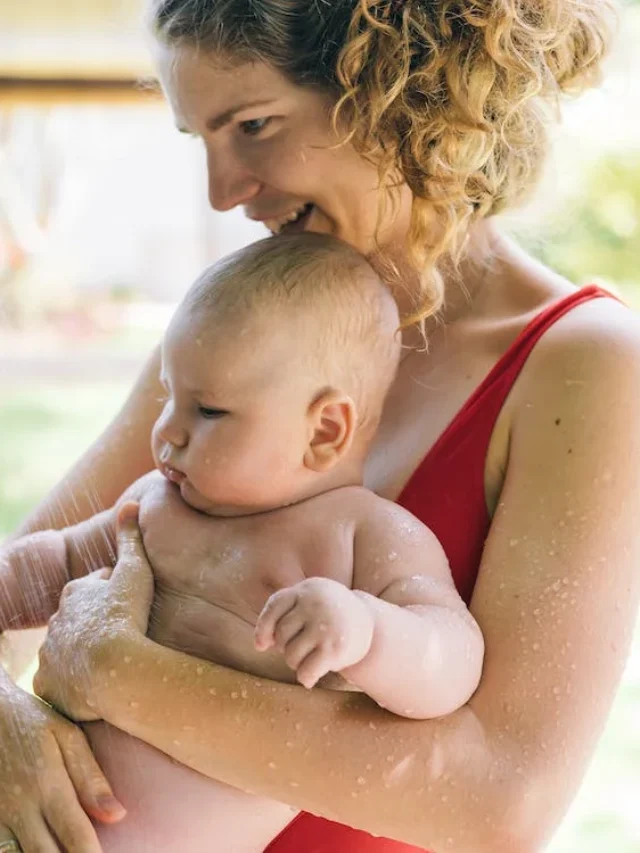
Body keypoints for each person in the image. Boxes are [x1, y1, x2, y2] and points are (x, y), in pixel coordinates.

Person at [1, 0, 638, 852]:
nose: (224, 192)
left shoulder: (586, 364)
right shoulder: (240, 327)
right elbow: (25, 580)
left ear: (396, 92)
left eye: (254, 125)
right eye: (202, 140)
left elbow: (498, 801)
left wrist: (116, 673)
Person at [0, 233, 485, 852]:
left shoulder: (364, 537)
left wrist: (366, 629)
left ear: (324, 431)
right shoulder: (157, 504)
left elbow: (452, 663)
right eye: (168, 396)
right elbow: (48, 566)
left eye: (208, 412)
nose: (167, 430)